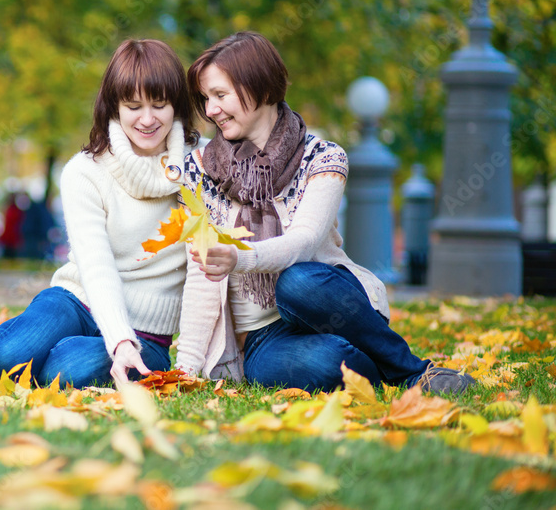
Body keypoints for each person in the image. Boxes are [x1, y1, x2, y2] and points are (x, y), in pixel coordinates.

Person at [0, 39, 199, 387]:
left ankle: (42, 357)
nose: (148, 119)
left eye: (160, 105)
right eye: (134, 106)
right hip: (77, 301)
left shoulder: (202, 165)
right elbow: (96, 266)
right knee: (7, 354)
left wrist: (130, 343)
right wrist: (116, 339)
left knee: (66, 372)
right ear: (114, 107)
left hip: (146, 334)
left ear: (177, 105)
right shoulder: (86, 172)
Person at [174, 31, 476, 395]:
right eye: (206, 98)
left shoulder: (322, 157)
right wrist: (185, 370)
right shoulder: (199, 170)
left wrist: (240, 257)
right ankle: (377, 368)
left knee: (297, 281)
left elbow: (302, 243)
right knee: (326, 364)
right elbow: (200, 274)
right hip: (261, 337)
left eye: (220, 95)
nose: (210, 110)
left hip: (328, 305)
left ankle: (412, 371)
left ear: (262, 88)